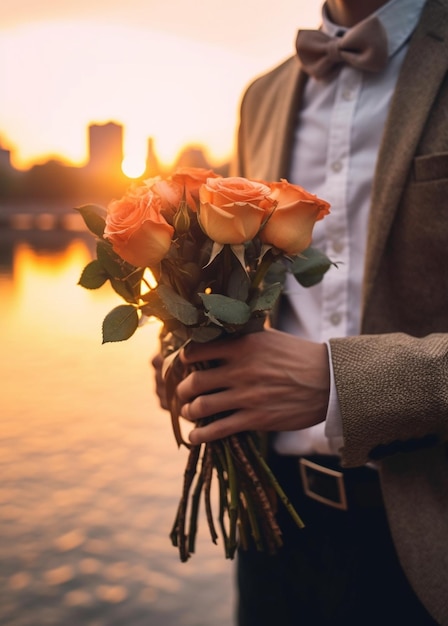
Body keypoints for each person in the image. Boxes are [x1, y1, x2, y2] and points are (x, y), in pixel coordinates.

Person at [152, 0, 448, 623]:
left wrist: (342, 382)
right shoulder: (262, 96)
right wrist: (189, 343)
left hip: (430, 538)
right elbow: (234, 276)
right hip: (272, 528)